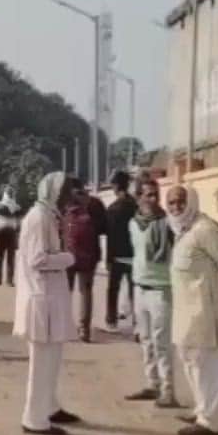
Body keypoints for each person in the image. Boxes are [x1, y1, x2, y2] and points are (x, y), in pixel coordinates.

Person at [166, 185, 218, 435]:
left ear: (191, 202)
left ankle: (211, 421)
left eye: (179, 202)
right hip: (186, 310)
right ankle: (201, 409)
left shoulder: (204, 229)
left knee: (207, 365)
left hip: (205, 310)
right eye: (171, 203)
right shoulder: (182, 231)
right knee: (191, 362)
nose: (175, 207)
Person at [14, 171, 80, 435]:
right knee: (41, 364)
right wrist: (67, 259)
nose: (69, 196)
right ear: (52, 191)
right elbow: (37, 260)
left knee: (52, 360)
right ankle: (34, 418)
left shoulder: (49, 216)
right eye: (65, 191)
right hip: (40, 300)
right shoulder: (38, 218)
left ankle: (50, 407)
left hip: (50, 299)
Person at [125, 178, 180, 406]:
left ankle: (168, 390)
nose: (154, 199)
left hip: (161, 288)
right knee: (146, 340)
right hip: (140, 287)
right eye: (148, 195)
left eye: (155, 194)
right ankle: (152, 384)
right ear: (138, 198)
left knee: (162, 342)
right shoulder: (134, 224)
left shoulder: (168, 224)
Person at [63, 178, 106, 343]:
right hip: (90, 255)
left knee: (66, 291)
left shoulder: (64, 203)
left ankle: (66, 327)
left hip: (68, 254)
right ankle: (84, 330)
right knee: (86, 292)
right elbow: (103, 228)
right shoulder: (95, 203)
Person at [104, 170, 137, 333]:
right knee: (134, 289)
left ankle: (111, 320)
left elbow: (109, 235)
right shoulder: (136, 205)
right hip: (134, 254)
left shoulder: (112, 208)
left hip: (117, 254)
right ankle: (137, 321)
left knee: (113, 289)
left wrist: (108, 258)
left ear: (116, 186)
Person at [0, 186, 21, 287]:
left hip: (0, 232)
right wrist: (17, 233)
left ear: (4, 194)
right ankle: (9, 281)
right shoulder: (17, 207)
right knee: (11, 257)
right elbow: (19, 223)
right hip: (11, 233)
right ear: (13, 195)